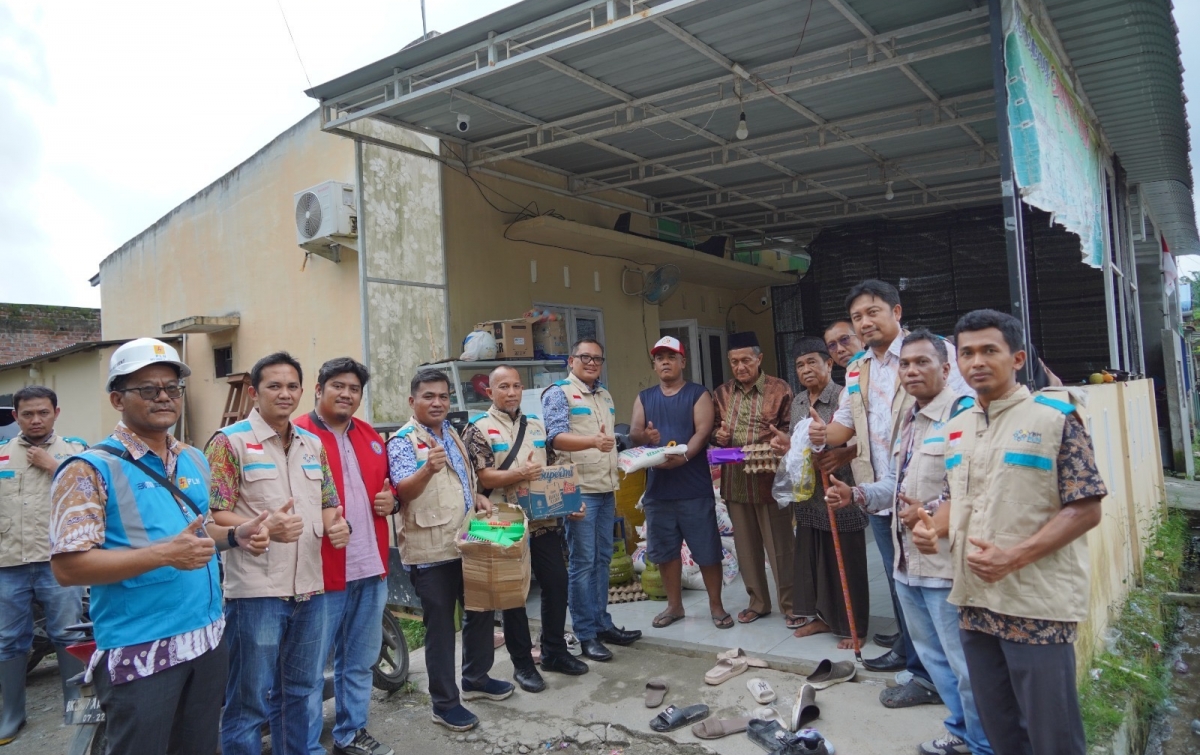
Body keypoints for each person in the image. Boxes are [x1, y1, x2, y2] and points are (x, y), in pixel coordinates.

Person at [49, 338, 270, 755]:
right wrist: (164, 555)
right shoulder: (87, 469)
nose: (164, 397)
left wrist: (239, 536)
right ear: (118, 398)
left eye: (172, 388)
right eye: (148, 389)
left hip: (205, 640)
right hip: (141, 650)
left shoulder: (192, 458)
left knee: (201, 747)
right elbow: (69, 568)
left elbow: (199, 534)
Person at [912, 310, 1105, 755]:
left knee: (1052, 736)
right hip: (975, 602)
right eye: (967, 353)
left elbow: (1087, 507)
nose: (976, 361)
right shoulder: (957, 428)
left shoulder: (1055, 418)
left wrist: (1014, 558)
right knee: (1000, 730)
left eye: (989, 351)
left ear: (1017, 358)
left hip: (1035, 605)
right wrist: (933, 530)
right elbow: (955, 499)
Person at [828, 330, 991, 755]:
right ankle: (959, 730)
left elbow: (977, 490)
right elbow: (895, 485)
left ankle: (984, 744)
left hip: (945, 568)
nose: (912, 370)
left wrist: (932, 509)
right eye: (905, 364)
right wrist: (857, 495)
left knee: (965, 665)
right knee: (934, 660)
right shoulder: (908, 422)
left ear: (946, 368)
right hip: (907, 565)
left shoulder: (965, 416)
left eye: (922, 362)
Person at [808, 279, 968, 707]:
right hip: (882, 491)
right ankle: (917, 664)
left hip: (933, 493)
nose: (864, 322)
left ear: (896, 312)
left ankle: (949, 683)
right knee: (904, 585)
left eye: (872, 312)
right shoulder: (857, 368)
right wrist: (823, 435)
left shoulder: (930, 351)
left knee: (939, 592)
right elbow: (845, 424)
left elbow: (965, 415)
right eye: (857, 316)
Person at [207, 351, 350, 755]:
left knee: (302, 692)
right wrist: (264, 526)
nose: (284, 394)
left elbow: (329, 502)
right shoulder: (229, 442)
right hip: (256, 592)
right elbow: (215, 511)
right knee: (249, 703)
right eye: (274, 386)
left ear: (302, 392)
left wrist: (339, 526)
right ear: (254, 392)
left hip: (310, 587)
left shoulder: (313, 444)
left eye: (291, 386)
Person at [388, 368, 512, 733]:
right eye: (429, 396)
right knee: (441, 628)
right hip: (431, 550)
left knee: (481, 610)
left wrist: (475, 497)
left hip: (467, 541)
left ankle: (476, 678)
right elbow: (402, 494)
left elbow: (461, 480)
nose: (438, 402)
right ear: (413, 401)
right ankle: (444, 703)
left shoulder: (453, 433)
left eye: (443, 396)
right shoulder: (402, 441)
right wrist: (426, 469)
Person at [463, 365, 590, 694]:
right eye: (503, 386)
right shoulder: (478, 428)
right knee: (511, 594)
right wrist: (521, 473)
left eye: (516, 386)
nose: (512, 392)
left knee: (557, 583)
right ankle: (522, 663)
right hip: (498, 520)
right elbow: (485, 477)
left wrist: (570, 502)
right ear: (489, 392)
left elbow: (554, 470)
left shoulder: (535, 425)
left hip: (542, 519)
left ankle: (554, 652)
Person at [294, 358, 394, 755]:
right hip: (321, 572)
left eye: (354, 389)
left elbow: (388, 490)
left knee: (360, 659)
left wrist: (393, 499)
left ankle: (351, 734)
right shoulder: (297, 434)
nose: (346, 394)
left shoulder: (370, 436)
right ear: (318, 389)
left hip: (371, 566)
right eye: (338, 386)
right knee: (310, 670)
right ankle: (303, 746)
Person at [542, 339, 641, 662]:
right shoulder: (558, 392)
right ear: (571, 360)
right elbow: (554, 437)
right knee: (583, 564)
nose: (592, 363)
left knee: (601, 560)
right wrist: (593, 441)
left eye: (597, 358)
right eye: (585, 357)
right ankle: (585, 634)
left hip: (605, 486)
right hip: (578, 489)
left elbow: (608, 441)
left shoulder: (604, 394)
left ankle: (602, 624)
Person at [0, 386, 87, 744]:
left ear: (56, 412)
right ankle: (11, 714)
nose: (36, 420)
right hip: (9, 564)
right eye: (27, 414)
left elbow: (91, 492)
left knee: (68, 631)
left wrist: (55, 467)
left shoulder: (77, 452)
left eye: (43, 413)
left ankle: (75, 703)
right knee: (8, 640)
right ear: (14, 417)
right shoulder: (2, 457)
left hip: (60, 561)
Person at [628, 337, 729, 630]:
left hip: (693, 487)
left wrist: (684, 458)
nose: (665, 362)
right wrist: (645, 439)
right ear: (655, 364)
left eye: (671, 357)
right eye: (660, 358)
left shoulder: (698, 394)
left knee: (707, 549)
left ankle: (717, 605)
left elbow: (702, 432)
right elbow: (635, 431)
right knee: (664, 551)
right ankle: (675, 606)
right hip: (658, 490)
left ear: (683, 361)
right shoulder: (645, 397)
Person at [779, 338, 868, 649]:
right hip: (809, 493)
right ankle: (822, 617)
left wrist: (842, 453)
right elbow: (796, 444)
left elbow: (863, 441)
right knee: (814, 559)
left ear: (829, 364)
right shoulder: (799, 402)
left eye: (813, 362)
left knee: (845, 559)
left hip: (841, 491)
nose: (806, 370)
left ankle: (853, 626)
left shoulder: (845, 396)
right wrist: (786, 446)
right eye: (800, 365)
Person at [711, 331, 795, 626]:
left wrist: (783, 439)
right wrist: (717, 436)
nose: (739, 366)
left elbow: (792, 430)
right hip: (735, 482)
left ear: (759, 359)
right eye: (734, 361)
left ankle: (791, 604)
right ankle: (758, 602)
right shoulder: (721, 394)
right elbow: (713, 432)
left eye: (746, 360)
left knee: (780, 547)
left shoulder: (780, 389)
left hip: (770, 481)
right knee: (746, 549)